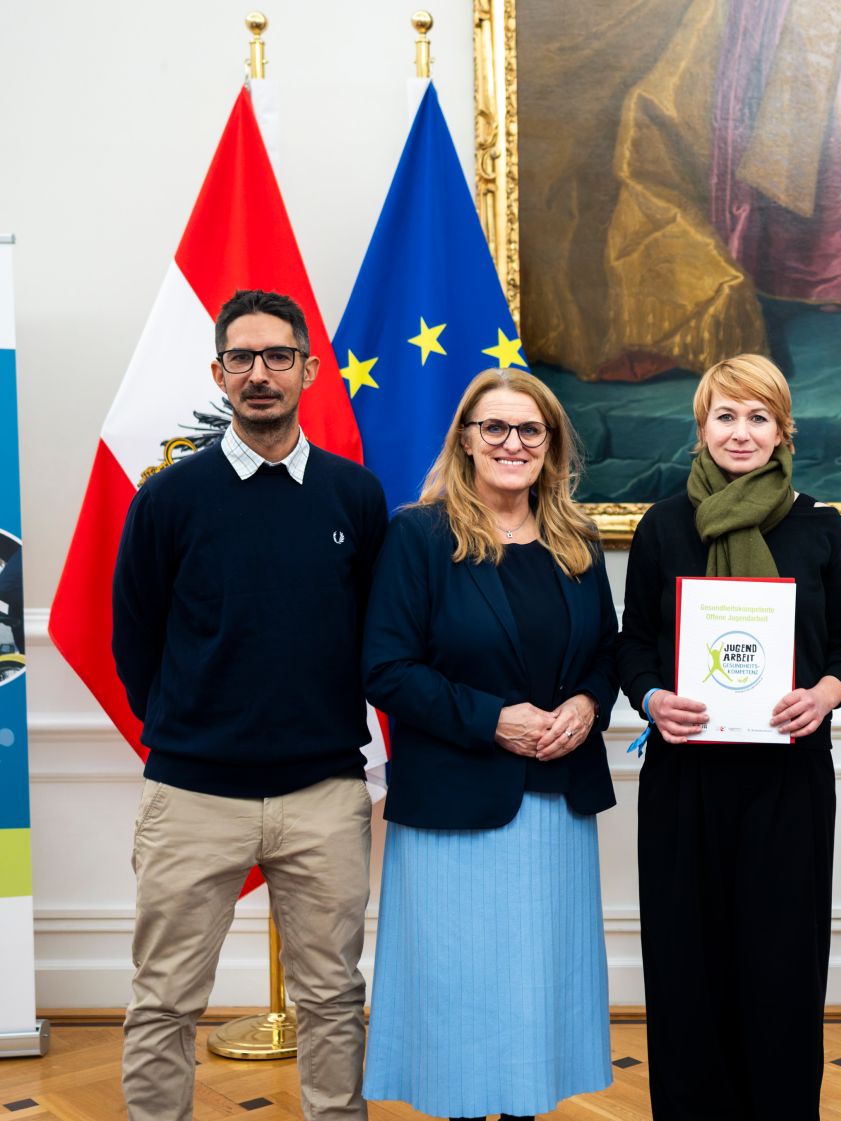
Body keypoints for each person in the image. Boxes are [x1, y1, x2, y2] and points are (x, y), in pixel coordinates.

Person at [111, 289, 387, 1121]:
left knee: (333, 995)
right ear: (218, 372)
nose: (259, 373)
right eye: (242, 357)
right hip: (193, 793)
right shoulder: (168, 498)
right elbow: (135, 642)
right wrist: (197, 729)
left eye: (277, 356)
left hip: (323, 794)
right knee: (164, 998)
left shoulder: (354, 495)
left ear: (309, 369)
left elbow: (376, 637)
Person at [615, 354, 841, 1121]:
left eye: (759, 416)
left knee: (781, 969)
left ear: (783, 430)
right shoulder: (663, 526)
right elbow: (633, 644)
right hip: (683, 779)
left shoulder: (821, 529)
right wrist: (652, 696)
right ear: (701, 428)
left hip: (789, 782)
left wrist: (824, 693)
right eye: (725, 415)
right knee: (686, 968)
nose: (741, 431)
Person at [360, 368, 618, 1121]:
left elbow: (606, 653)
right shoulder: (419, 535)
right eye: (495, 428)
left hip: (557, 806)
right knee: (463, 1002)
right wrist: (492, 719)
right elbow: (386, 668)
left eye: (530, 429)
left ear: (551, 444)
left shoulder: (578, 540)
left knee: (534, 999)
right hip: (455, 806)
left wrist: (587, 702)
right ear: (466, 441)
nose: (513, 443)